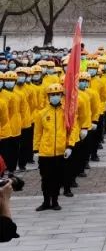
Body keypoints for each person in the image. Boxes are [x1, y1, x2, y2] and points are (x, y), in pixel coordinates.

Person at [32, 82, 78, 211]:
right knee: (46, 179)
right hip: (45, 152)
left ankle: (55, 201)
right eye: (52, 95)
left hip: (61, 151)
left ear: (61, 95)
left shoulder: (66, 113)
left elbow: (72, 130)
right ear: (48, 96)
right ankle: (46, 201)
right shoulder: (42, 113)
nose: (55, 97)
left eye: (57, 94)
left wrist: (70, 146)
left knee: (57, 178)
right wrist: (36, 150)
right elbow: (38, 133)